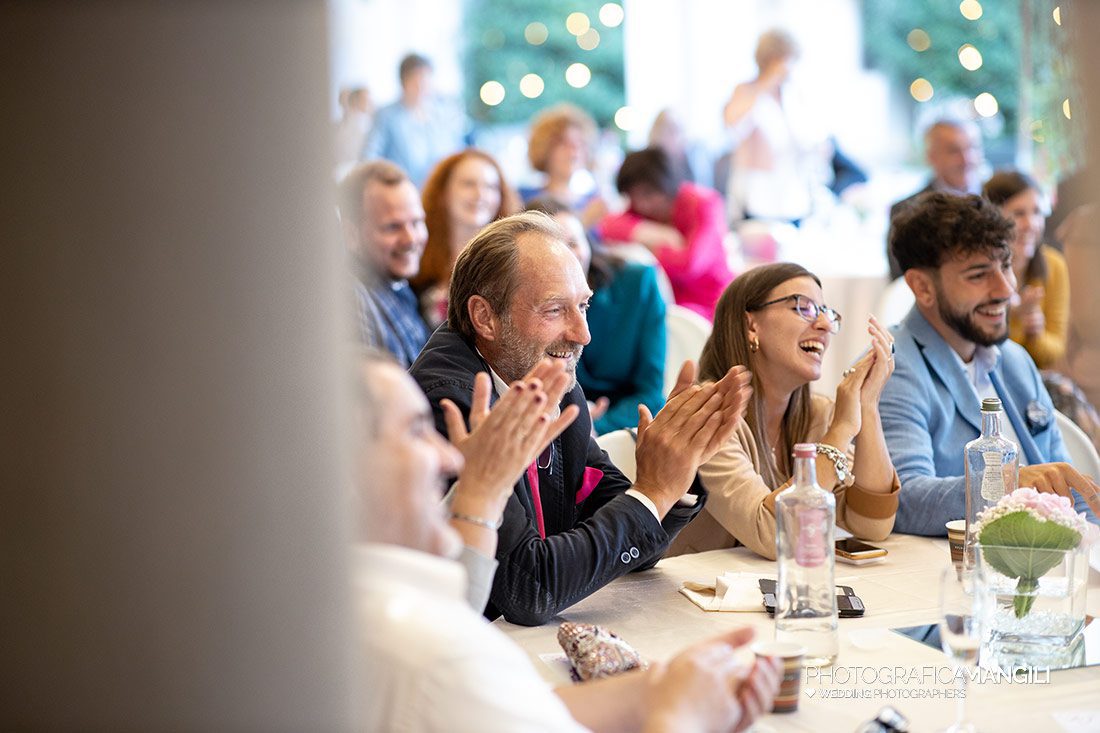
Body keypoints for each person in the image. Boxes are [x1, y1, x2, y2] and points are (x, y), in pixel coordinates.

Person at [357, 351, 780, 733]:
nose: (450, 458)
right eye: (416, 432)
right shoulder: (429, 656)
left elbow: (529, 703)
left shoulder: (386, 613)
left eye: (585, 306)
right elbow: (526, 593)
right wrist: (681, 716)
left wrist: (658, 687)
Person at [409, 211, 754, 625]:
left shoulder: (548, 375)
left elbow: (630, 544)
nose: (582, 333)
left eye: (583, 305)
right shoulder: (448, 405)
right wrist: (652, 495)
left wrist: (672, 474)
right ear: (485, 318)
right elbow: (528, 589)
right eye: (555, 310)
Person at [881, 192, 1100, 535]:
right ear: (922, 286)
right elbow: (903, 499)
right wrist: (1007, 485)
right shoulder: (893, 368)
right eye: (979, 274)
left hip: (1045, 559)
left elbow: (1073, 488)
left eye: (1006, 265)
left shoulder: (1013, 360)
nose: (1005, 290)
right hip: (962, 570)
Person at [668, 263, 900, 559]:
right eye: (804, 308)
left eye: (826, 313)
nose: (825, 325)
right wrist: (841, 430)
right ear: (752, 325)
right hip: (690, 596)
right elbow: (773, 535)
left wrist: (867, 406)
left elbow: (872, 525)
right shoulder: (707, 414)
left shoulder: (817, 413)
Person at [526, 196, 667, 435]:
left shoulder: (639, 283)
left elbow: (651, 392)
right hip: (553, 424)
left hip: (622, 426)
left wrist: (594, 426)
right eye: (554, 248)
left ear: (588, 242)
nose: (568, 257)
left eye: (572, 243)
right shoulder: (527, 302)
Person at [598, 147, 734, 321]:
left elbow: (689, 265)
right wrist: (659, 235)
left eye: (648, 194)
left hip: (711, 306)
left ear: (666, 184)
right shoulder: (642, 211)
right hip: (666, 304)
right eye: (633, 197)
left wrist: (651, 250)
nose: (642, 204)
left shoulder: (705, 204)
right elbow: (609, 226)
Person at [722, 28, 829, 225]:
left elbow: (808, 135)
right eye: (788, 60)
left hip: (794, 195)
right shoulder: (747, 91)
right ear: (773, 59)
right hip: (759, 198)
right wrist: (767, 82)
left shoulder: (792, 94)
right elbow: (733, 126)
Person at [412, 149, 518, 328]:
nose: (480, 194)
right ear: (442, 193)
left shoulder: (514, 263)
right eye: (468, 184)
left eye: (490, 187)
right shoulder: (415, 255)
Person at [339, 160, 430, 366]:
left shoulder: (398, 285)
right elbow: (369, 396)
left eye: (416, 222)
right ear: (350, 234)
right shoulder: (351, 298)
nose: (410, 239)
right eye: (392, 227)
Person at [982, 170, 1069, 369]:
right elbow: (980, 353)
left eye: (1037, 212)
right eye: (1019, 214)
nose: (1031, 224)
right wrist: (1013, 318)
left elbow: (1054, 352)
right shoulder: (979, 269)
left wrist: (1035, 332)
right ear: (992, 217)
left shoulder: (1054, 264)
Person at [887, 119, 983, 279]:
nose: (967, 159)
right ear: (931, 157)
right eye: (954, 151)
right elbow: (901, 279)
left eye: (972, 147)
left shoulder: (1000, 200)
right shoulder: (905, 210)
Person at [361, 53, 466, 188]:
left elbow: (457, 151)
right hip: (401, 191)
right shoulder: (387, 115)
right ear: (403, 82)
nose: (422, 86)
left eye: (426, 80)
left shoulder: (443, 114)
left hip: (440, 191)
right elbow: (369, 157)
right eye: (416, 81)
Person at [520, 104, 609, 229]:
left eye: (580, 143)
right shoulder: (525, 199)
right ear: (544, 149)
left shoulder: (594, 199)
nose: (573, 152)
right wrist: (583, 222)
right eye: (563, 143)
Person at [333, 85, 372, 175]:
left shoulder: (345, 124)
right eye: (366, 100)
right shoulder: (361, 125)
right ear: (356, 101)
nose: (370, 103)